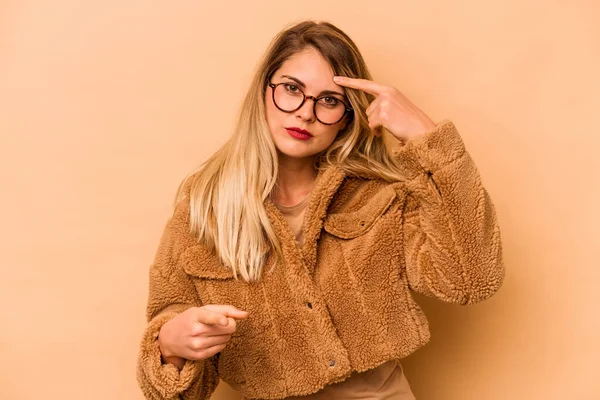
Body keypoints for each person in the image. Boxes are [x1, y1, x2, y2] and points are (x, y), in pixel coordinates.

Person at [136, 20, 505, 400]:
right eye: (292, 89)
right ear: (264, 90)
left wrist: (428, 139)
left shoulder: (380, 196)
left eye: (329, 100)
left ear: (347, 115)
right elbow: (175, 388)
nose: (304, 113)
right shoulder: (202, 210)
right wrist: (169, 345)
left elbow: (470, 280)